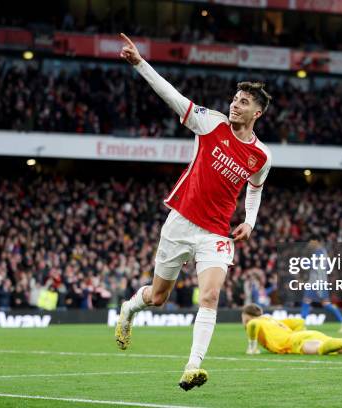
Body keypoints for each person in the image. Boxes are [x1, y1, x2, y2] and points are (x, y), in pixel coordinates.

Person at [114, 33, 273, 391]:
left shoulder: (261, 156)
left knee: (210, 296)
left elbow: (256, 188)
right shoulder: (211, 123)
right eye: (234, 98)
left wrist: (250, 221)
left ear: (257, 112)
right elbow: (173, 97)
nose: (235, 105)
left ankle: (192, 366)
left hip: (215, 234)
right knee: (157, 297)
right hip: (181, 221)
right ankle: (127, 309)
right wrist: (140, 63)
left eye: (244, 101)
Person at [300, 239, 342, 333]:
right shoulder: (321, 252)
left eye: (312, 243)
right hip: (319, 281)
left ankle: (301, 325)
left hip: (317, 282)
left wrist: (305, 262)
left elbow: (315, 265)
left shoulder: (319, 252)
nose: (310, 245)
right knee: (325, 304)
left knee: (307, 301)